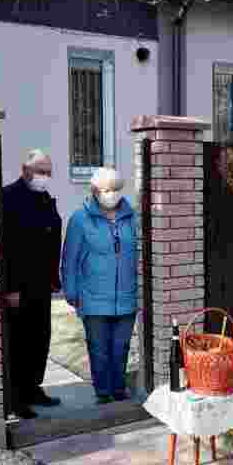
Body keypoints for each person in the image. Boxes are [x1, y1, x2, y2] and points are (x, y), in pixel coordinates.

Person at [61, 168, 138, 405]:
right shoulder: (80, 219)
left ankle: (118, 388)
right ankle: (103, 391)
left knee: (121, 346)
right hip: (93, 297)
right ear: (95, 191)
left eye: (116, 189)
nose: (112, 194)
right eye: (107, 190)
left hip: (126, 296)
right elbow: (70, 260)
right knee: (99, 349)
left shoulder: (132, 216)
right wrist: (72, 293)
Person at [1, 149, 63, 420]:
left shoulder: (44, 197)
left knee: (40, 338)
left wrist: (53, 278)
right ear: (25, 170)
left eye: (49, 172)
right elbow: (7, 245)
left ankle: (33, 387)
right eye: (41, 171)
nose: (46, 176)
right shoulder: (8, 197)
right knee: (20, 341)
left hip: (41, 283)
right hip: (19, 285)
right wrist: (10, 287)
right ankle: (17, 397)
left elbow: (50, 237)